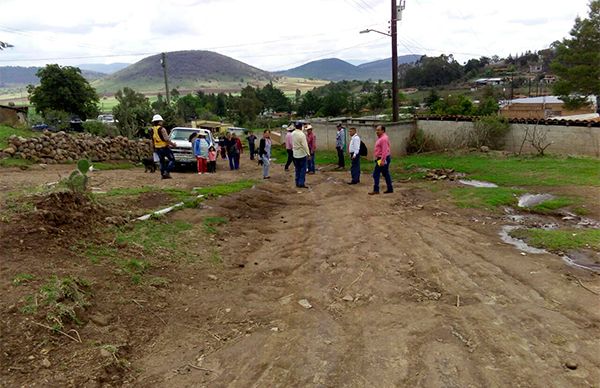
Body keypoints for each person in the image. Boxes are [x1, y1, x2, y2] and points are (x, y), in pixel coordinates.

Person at [369, 125, 393, 195]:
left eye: (378, 130)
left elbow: (384, 151)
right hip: (382, 158)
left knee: (375, 174)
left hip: (382, 159)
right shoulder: (381, 138)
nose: (377, 131)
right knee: (386, 174)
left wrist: (382, 160)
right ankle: (390, 188)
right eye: (376, 130)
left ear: (383, 131)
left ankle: (376, 189)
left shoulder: (383, 139)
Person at [151, 114, 176, 179]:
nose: (162, 122)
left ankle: (163, 175)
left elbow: (152, 139)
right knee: (172, 159)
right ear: (159, 121)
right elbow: (166, 139)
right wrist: (173, 144)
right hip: (164, 147)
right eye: (161, 121)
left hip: (157, 148)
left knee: (162, 161)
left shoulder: (152, 129)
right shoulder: (162, 129)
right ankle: (166, 172)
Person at [292, 122, 311, 188]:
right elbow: (305, 145)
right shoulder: (302, 134)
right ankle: (301, 183)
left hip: (295, 153)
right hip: (301, 153)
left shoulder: (293, 133)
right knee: (303, 169)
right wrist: (308, 154)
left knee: (297, 169)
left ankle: (297, 182)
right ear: (300, 127)